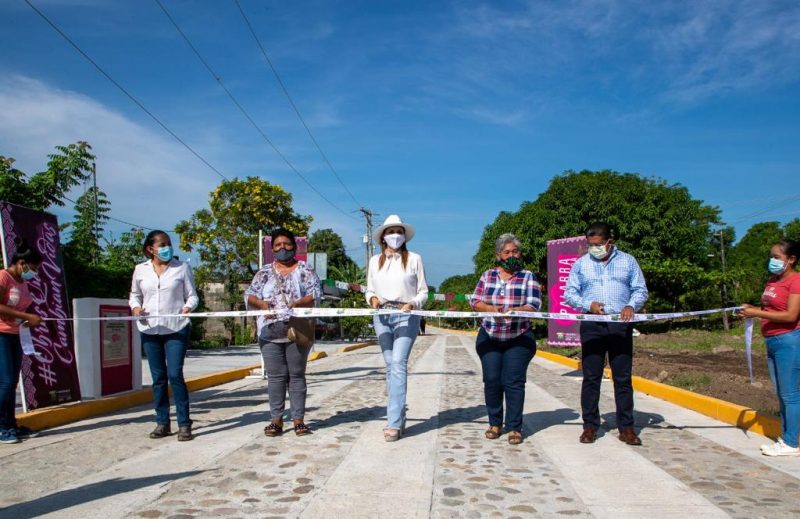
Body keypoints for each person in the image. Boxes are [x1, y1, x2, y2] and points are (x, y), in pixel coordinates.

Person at [565, 222, 648, 446]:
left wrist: (631, 305)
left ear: (609, 242)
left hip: (620, 324)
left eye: (598, 244)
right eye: (590, 245)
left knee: (622, 378)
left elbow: (640, 289)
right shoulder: (581, 265)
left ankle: (627, 427)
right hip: (592, 325)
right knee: (591, 377)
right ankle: (590, 425)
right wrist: (588, 304)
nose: (594, 249)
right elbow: (570, 294)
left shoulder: (628, 261)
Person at [246, 228, 321, 437]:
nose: (282, 248)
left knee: (296, 376)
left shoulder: (305, 270)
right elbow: (249, 295)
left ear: (294, 246)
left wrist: (299, 303)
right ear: (272, 249)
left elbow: (316, 294)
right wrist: (261, 304)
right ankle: (276, 421)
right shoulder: (264, 273)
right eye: (277, 245)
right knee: (276, 378)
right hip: (269, 332)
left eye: (286, 244)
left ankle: (298, 421)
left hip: (297, 330)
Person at [470, 233, 541, 445]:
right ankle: (494, 422)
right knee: (492, 380)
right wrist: (492, 309)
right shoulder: (488, 275)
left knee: (513, 382)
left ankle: (514, 427)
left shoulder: (528, 276)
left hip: (518, 336)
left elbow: (534, 304)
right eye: (506, 252)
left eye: (515, 251)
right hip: (490, 335)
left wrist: (512, 311)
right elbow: (475, 301)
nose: (511, 255)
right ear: (498, 255)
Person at [129, 230, 198, 441]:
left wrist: (188, 307)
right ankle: (162, 422)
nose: (168, 247)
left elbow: (193, 295)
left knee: (175, 374)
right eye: (162, 244)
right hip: (149, 329)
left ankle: (184, 423)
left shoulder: (182, 267)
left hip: (176, 327)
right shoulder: (140, 270)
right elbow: (134, 295)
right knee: (158, 378)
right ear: (151, 249)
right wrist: (136, 309)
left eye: (169, 243)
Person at [365, 215, 428, 441]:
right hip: (381, 316)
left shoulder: (414, 259)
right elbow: (369, 289)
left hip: (406, 315)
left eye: (399, 232)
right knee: (390, 365)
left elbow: (423, 290)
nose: (395, 236)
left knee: (398, 363)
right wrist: (372, 299)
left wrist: (413, 303)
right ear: (383, 236)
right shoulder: (375, 261)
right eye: (390, 232)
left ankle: (392, 423)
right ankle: (399, 418)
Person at [740, 240, 800, 456]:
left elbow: (791, 315)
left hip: (789, 341)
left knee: (790, 393)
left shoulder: (796, 281)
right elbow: (768, 308)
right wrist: (751, 309)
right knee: (781, 393)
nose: (772, 261)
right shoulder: (772, 281)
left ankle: (791, 443)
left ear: (791, 259)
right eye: (771, 256)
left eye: (777, 257)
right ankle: (786, 437)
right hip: (772, 341)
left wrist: (757, 313)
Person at [0, 239, 43, 444]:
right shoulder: (3, 277)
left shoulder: (23, 283)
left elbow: (25, 309)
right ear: (21, 262)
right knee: (6, 382)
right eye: (32, 268)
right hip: (1, 334)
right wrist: (26, 317)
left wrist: (30, 318)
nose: (33, 273)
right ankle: (2, 427)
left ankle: (11, 424)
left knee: (11, 382)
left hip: (15, 334)